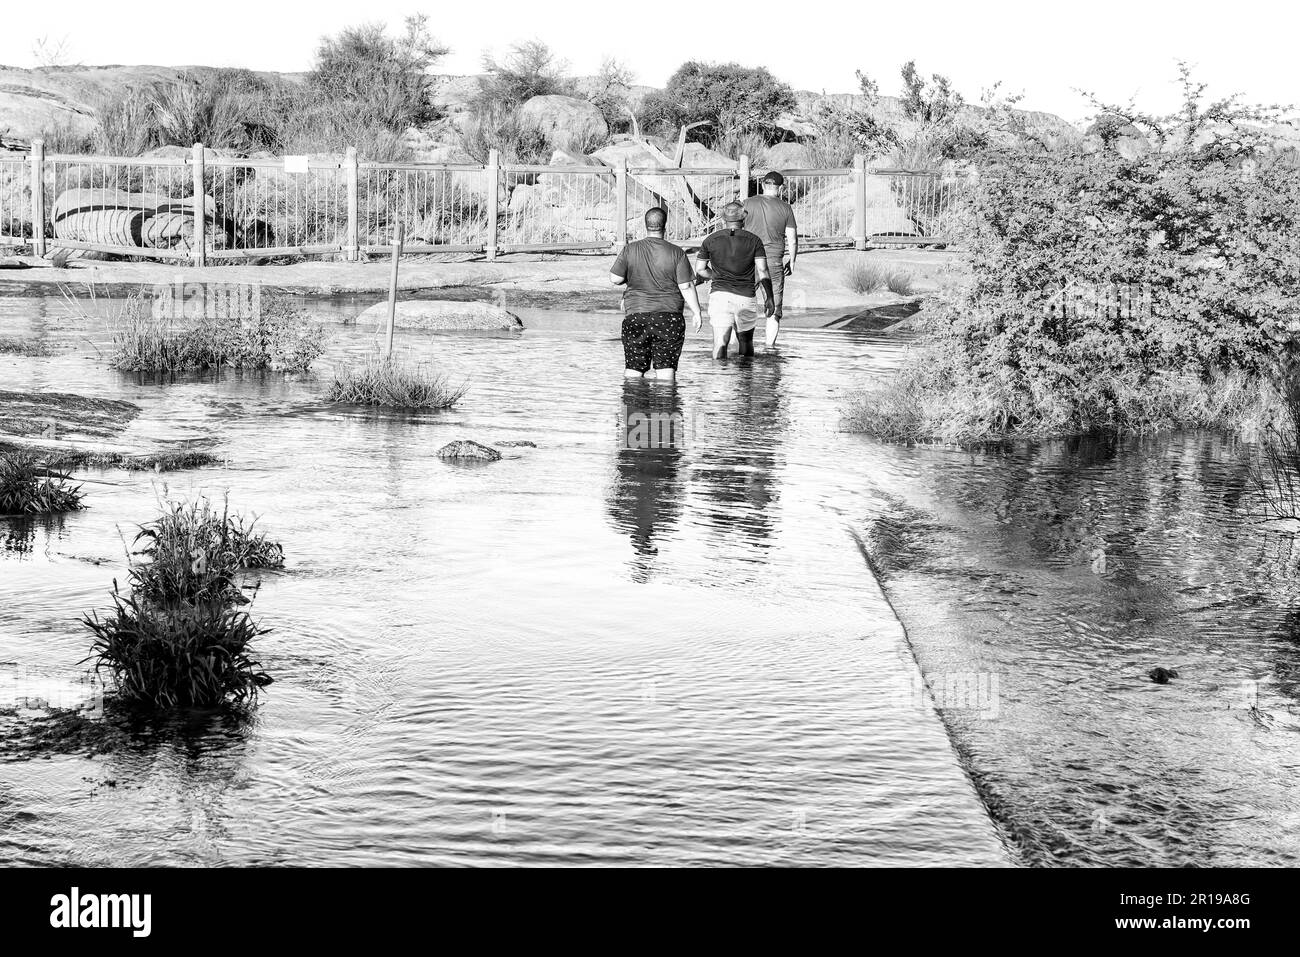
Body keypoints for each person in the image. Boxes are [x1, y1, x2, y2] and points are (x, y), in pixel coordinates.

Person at [610, 207, 703, 381]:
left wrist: (629, 278)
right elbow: (686, 286)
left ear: (645, 226)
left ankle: (632, 404)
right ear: (665, 227)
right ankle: (666, 405)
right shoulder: (677, 252)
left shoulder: (631, 249)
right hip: (669, 317)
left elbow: (615, 278)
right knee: (666, 371)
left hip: (636, 315)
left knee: (633, 368)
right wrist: (697, 312)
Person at [695, 202, 774, 359]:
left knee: (720, 342)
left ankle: (720, 378)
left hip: (720, 296)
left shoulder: (710, 240)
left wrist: (715, 276)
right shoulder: (755, 241)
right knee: (746, 341)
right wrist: (769, 298)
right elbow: (763, 270)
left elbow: (700, 269)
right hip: (746, 295)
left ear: (723, 219)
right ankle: (745, 380)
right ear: (743, 219)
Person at [741, 171, 798, 348]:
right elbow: (793, 239)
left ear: (763, 185)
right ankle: (769, 348)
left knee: (743, 302)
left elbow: (736, 227)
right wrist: (792, 260)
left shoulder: (747, 203)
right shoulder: (785, 208)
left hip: (749, 259)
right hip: (773, 260)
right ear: (780, 188)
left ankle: (741, 347)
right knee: (773, 308)